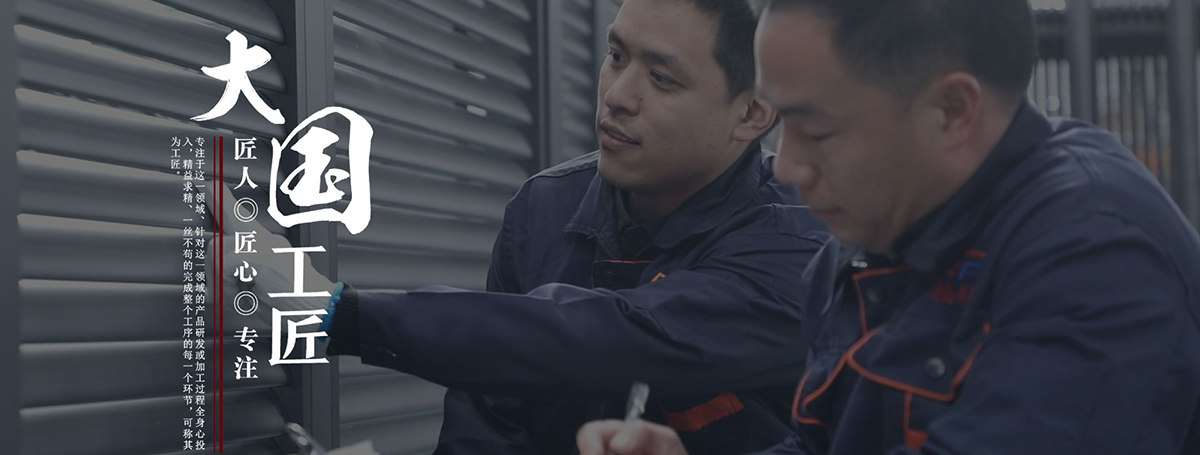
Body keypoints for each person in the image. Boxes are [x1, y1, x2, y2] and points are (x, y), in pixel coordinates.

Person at [576, 0, 1200, 454]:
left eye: (818, 131)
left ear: (952, 111)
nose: (787, 166)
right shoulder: (866, 239)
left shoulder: (1094, 253)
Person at [217, 0, 828, 454]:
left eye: (662, 78)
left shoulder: (802, 245)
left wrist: (336, 312)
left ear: (752, 113)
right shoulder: (546, 209)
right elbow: (489, 422)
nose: (618, 95)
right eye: (616, 56)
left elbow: (609, 338)